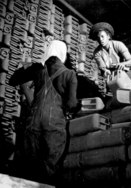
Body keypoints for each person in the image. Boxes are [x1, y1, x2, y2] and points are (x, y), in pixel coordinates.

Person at [9, 40, 80, 185]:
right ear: (63, 54)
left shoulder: (38, 70)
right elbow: (72, 104)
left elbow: (12, 80)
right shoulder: (70, 74)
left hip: (32, 123)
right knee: (49, 170)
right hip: (54, 125)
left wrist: (29, 66)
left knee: (29, 169)